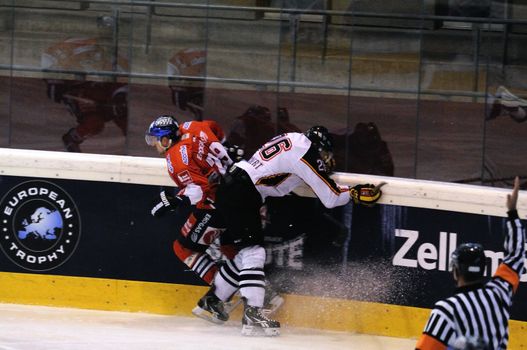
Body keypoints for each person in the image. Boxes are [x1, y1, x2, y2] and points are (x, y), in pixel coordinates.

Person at [195, 125, 385, 337]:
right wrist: (354, 193)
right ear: (319, 147)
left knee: (245, 255)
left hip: (234, 185)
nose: (324, 159)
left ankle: (212, 301)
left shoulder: (293, 138)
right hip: (244, 192)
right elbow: (331, 198)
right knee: (253, 253)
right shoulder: (308, 152)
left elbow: (282, 174)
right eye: (324, 154)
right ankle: (253, 315)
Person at [416, 176, 525, 350]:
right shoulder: (499, 293)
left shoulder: (446, 310)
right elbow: (517, 254)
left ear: (455, 271)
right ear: (483, 269)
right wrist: (513, 214)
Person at [145, 115, 237, 290]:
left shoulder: (176, 159)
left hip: (218, 203)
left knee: (182, 248)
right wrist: (224, 147)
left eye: (156, 140)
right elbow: (215, 126)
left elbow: (202, 189)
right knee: (230, 248)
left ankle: (222, 291)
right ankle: (265, 292)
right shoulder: (192, 126)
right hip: (240, 188)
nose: (154, 145)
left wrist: (178, 199)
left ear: (166, 140)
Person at [42, 37, 129, 152]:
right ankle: (72, 138)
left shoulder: (110, 54)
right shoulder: (65, 52)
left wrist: (120, 95)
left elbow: (123, 77)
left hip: (106, 89)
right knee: (94, 123)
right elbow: (50, 69)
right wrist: (55, 85)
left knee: (123, 116)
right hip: (82, 92)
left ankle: (136, 145)